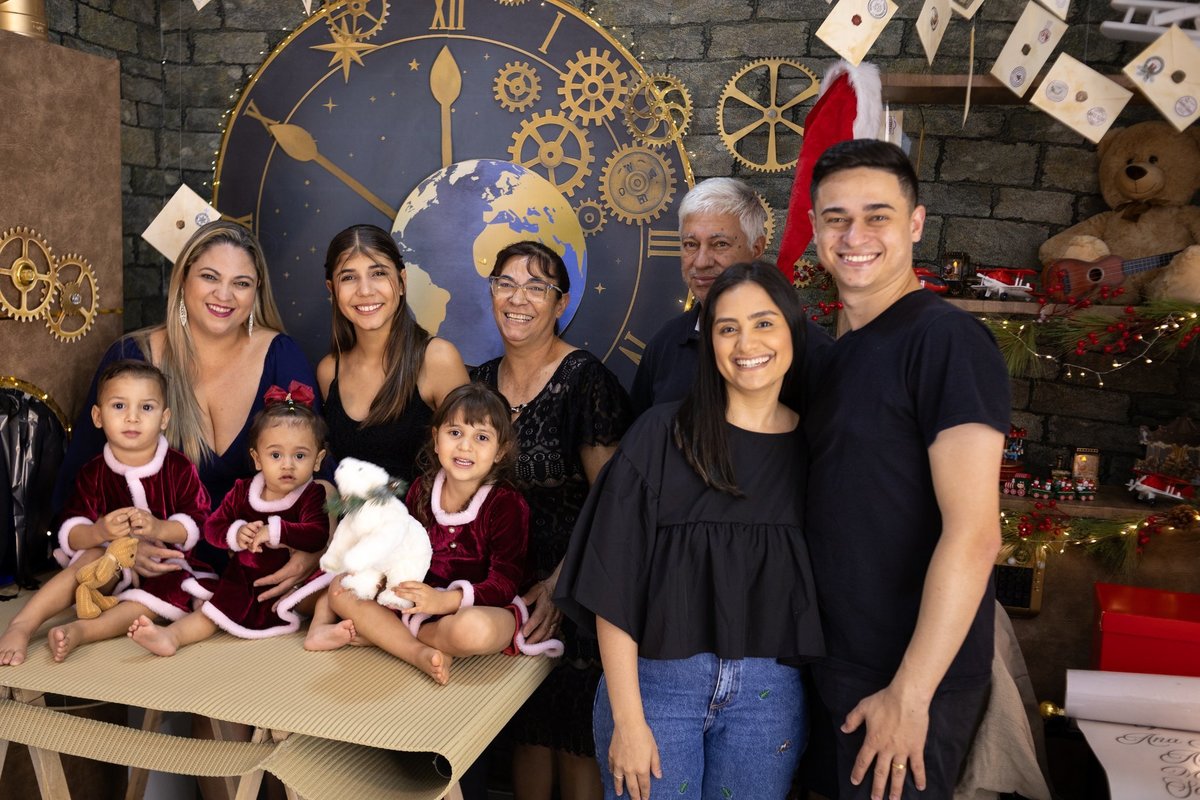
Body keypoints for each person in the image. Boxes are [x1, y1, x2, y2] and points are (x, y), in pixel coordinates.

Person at [555, 261, 824, 800]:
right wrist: (629, 722)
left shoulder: (815, 449)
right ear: (709, 342)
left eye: (764, 323)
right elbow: (612, 582)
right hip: (656, 689)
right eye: (727, 327)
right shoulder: (660, 435)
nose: (747, 342)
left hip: (767, 698)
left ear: (794, 330)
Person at [804, 139, 1009, 800]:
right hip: (834, 663)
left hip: (904, 679)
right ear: (814, 228)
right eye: (836, 218)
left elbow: (975, 534)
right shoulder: (836, 353)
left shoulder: (945, 341)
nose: (855, 235)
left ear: (915, 224)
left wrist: (911, 693)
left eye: (878, 216)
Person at [53, 221, 324, 602]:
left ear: (256, 292)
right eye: (209, 277)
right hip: (163, 561)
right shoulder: (132, 357)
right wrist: (126, 546)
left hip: (256, 564)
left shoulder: (281, 356)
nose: (224, 294)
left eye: (241, 283)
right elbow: (82, 480)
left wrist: (313, 550)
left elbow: (323, 476)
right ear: (183, 280)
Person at [473, 240, 632, 800]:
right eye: (506, 284)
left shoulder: (584, 381)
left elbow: (614, 501)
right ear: (491, 292)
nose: (518, 299)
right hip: (504, 594)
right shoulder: (479, 384)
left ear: (560, 302)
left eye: (536, 287)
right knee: (525, 737)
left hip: (575, 593)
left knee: (572, 741)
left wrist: (562, 583)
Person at [304, 383, 532, 686]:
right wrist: (382, 578)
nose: (465, 446)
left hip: (481, 608)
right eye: (455, 434)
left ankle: (386, 638)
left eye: (481, 437)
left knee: (472, 630)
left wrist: (445, 602)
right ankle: (416, 652)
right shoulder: (421, 491)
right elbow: (400, 546)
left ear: (500, 450)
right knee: (341, 588)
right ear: (436, 440)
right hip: (415, 602)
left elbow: (504, 582)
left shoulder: (506, 504)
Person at [0, 361, 213, 665]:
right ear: (98, 417)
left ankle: (80, 632)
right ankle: (22, 625)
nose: (132, 417)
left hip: (163, 565)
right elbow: (72, 531)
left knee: (154, 600)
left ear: (165, 418)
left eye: (147, 408)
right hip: (107, 565)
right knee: (87, 558)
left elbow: (198, 522)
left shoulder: (178, 467)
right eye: (119, 406)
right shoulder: (94, 472)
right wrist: (99, 532)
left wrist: (159, 528)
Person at [128, 384, 331, 656]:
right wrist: (236, 533)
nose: (287, 465)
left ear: (318, 461)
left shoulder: (311, 495)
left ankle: (321, 630)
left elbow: (317, 534)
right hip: (248, 581)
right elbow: (212, 528)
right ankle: (171, 637)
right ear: (257, 459)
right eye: (275, 455)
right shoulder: (242, 491)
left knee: (333, 595)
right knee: (213, 612)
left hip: (299, 584)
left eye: (300, 455)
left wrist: (275, 531)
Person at [317, 223, 469, 482]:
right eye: (349, 277)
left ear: (401, 282)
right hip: (352, 522)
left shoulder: (437, 359)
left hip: (426, 521)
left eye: (378, 273)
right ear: (332, 290)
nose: (365, 290)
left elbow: (471, 464)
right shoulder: (329, 370)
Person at [629, 177, 766, 414]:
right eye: (691, 244)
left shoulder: (801, 345)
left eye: (720, 244)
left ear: (757, 248)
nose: (701, 262)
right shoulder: (664, 345)